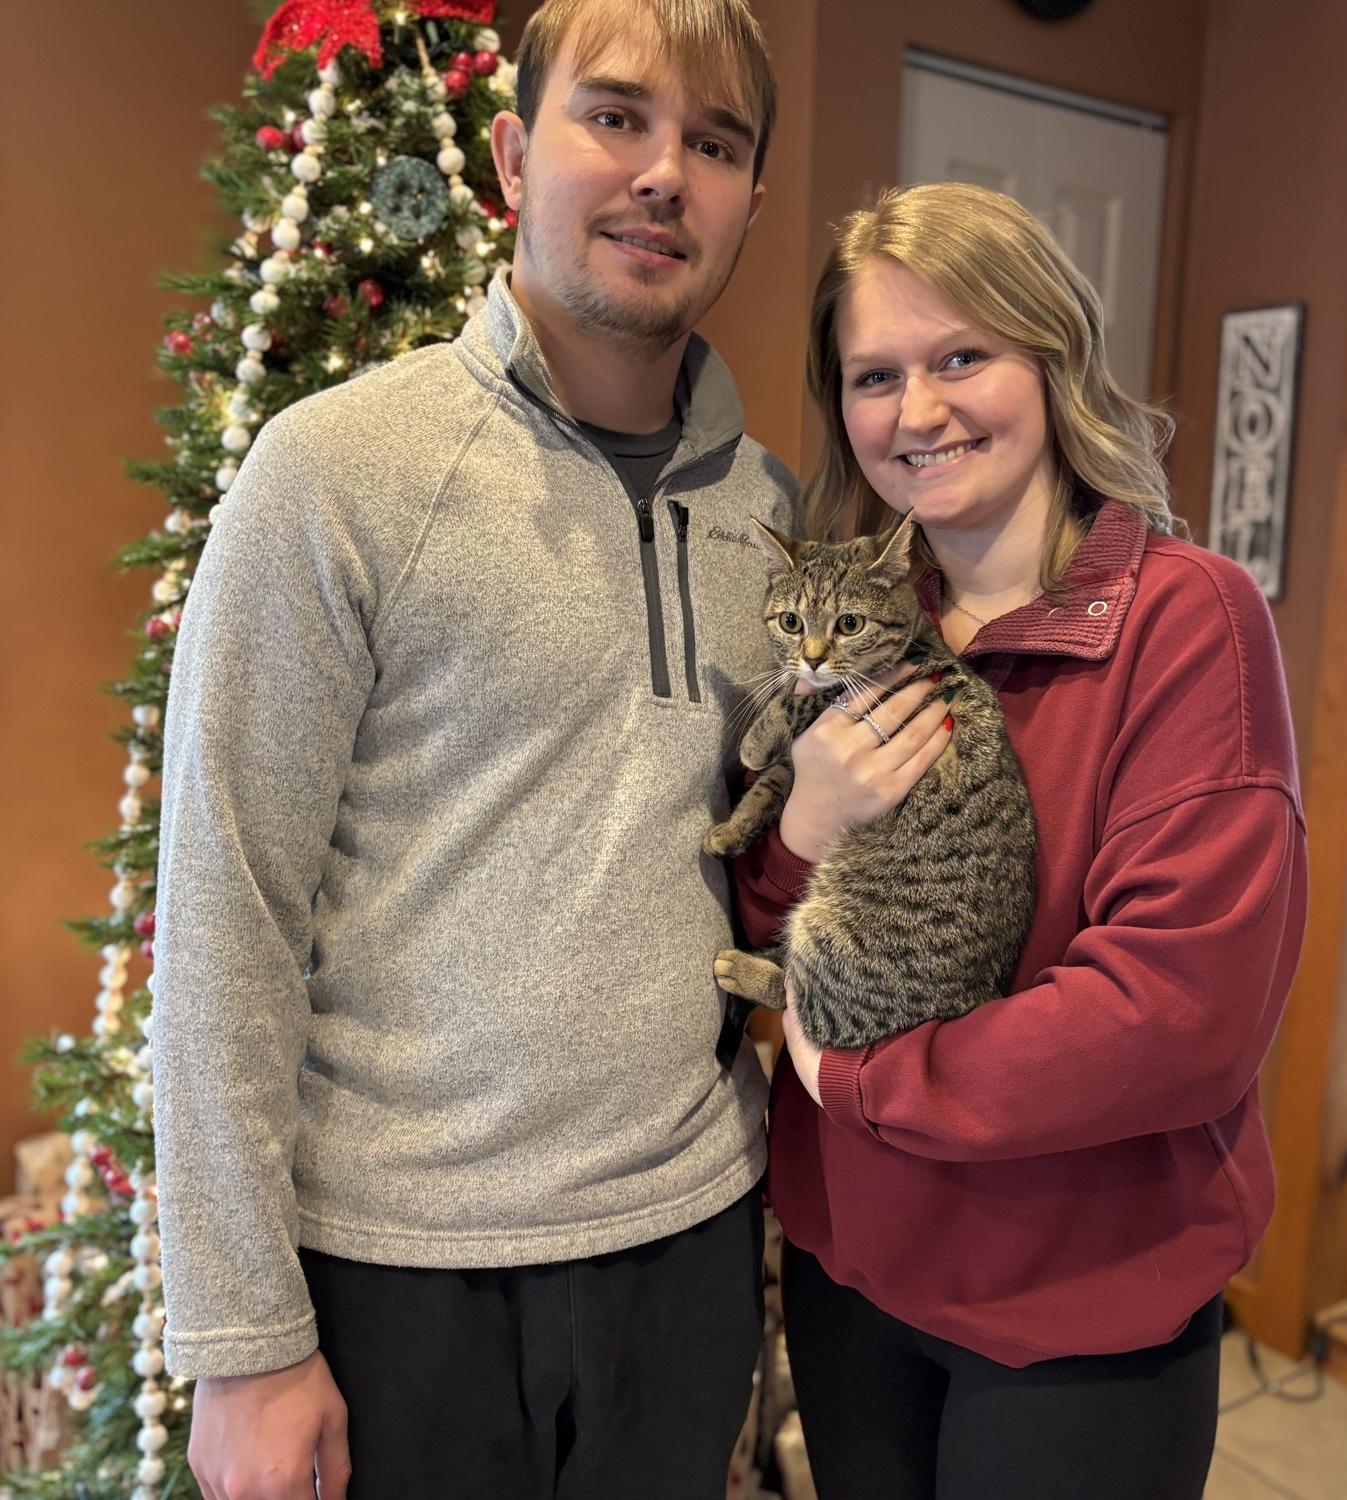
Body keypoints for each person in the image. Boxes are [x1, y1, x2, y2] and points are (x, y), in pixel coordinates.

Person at [152, 4, 915, 1496]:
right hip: (397, 1276)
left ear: (752, 203)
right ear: (511, 156)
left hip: (690, 1254)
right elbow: (225, 913)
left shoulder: (778, 523)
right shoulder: (334, 474)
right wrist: (242, 1341)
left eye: (713, 145)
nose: (663, 174)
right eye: (615, 117)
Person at [733, 181, 1309, 1499]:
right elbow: (765, 919)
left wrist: (860, 1079)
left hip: (1080, 1305)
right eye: (874, 376)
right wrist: (804, 826)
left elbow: (1177, 1014)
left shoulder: (1187, 624)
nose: (917, 412)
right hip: (848, 1265)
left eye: (962, 357)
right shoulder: (854, 626)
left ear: (1052, 361)